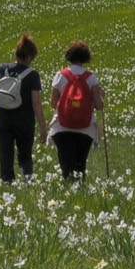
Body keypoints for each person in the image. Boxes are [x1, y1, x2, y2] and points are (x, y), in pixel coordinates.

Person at [48, 41, 105, 181]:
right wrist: (100, 96)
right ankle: (79, 192)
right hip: (85, 128)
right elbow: (98, 106)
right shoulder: (91, 78)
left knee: (66, 165)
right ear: (86, 57)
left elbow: (53, 103)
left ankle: (68, 190)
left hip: (62, 127)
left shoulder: (60, 75)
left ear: (69, 56)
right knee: (80, 165)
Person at [0, 34, 45, 179]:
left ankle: (7, 181)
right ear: (29, 57)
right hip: (24, 121)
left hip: (3, 119)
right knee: (25, 155)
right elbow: (36, 103)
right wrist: (43, 127)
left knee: (5, 154)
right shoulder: (32, 75)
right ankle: (26, 178)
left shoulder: (4, 69)